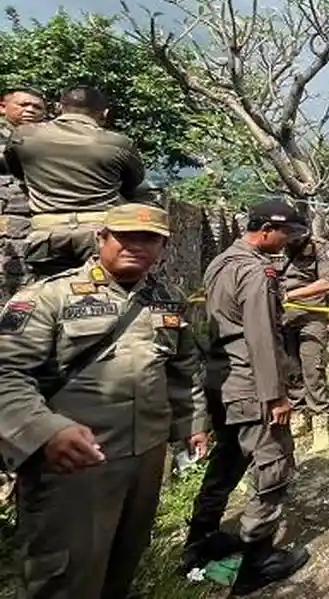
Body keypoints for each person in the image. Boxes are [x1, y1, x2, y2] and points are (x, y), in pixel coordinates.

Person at [0, 203, 209, 599]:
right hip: (72, 464)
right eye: (125, 236)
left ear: (163, 246)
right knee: (66, 575)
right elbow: (7, 374)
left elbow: (183, 368)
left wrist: (193, 425)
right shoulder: (48, 298)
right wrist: (46, 431)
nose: (136, 245)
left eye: (149, 238)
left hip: (146, 459)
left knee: (123, 561)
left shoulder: (167, 298)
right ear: (102, 239)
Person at [182, 199, 311, 596]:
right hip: (251, 385)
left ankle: (199, 545)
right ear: (266, 229)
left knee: (228, 460)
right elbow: (261, 338)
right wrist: (276, 397)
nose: (288, 240)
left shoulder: (220, 262)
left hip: (220, 381)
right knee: (272, 466)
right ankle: (256, 561)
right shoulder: (256, 271)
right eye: (286, 233)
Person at [3, 86, 151, 280]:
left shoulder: (24, 136)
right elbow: (133, 183)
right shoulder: (119, 143)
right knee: (105, 298)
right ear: (104, 114)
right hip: (100, 234)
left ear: (58, 107)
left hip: (47, 233)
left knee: (49, 293)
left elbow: (16, 170)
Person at [275, 235, 329, 453]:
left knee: (313, 368)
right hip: (282, 318)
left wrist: (289, 295)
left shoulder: (320, 246)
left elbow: (328, 282)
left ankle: (320, 422)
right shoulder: (275, 244)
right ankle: (298, 415)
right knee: (290, 369)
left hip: (312, 317)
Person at [0, 86, 46, 302]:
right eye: (23, 105)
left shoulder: (48, 138)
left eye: (37, 107)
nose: (30, 110)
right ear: (3, 107)